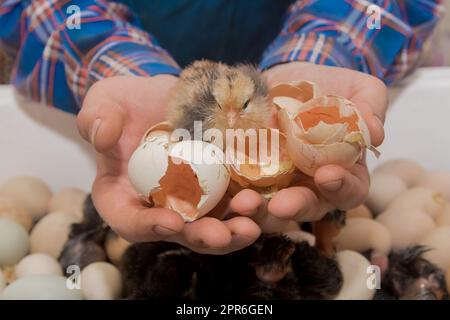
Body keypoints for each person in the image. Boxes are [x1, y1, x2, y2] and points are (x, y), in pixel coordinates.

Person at [0, 0, 443, 254]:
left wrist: (321, 57)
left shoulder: (261, 114)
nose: (232, 119)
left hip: (283, 58)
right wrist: (111, 61)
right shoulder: (198, 116)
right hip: (143, 61)